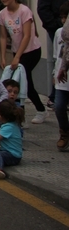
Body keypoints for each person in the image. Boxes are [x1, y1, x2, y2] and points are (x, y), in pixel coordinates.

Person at [0, 0, 45, 123]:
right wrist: (2, 57)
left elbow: (27, 35)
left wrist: (18, 57)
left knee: (22, 81)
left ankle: (35, 111)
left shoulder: (24, 11)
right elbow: (2, 36)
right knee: (18, 82)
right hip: (16, 51)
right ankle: (20, 113)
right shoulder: (2, 13)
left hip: (31, 50)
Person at [54, 10, 69, 150]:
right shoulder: (60, 32)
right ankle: (64, 132)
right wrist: (58, 70)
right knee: (59, 106)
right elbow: (61, 53)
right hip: (63, 77)